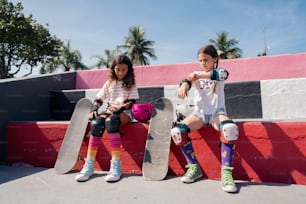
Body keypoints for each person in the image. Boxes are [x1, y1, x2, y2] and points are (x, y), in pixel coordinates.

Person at [171, 44, 239, 193]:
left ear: (214, 59)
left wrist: (198, 76)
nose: (203, 63)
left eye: (206, 60)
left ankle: (226, 173)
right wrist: (183, 86)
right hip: (199, 114)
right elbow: (186, 81)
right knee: (177, 131)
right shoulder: (195, 74)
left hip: (217, 113)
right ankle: (194, 167)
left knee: (229, 129)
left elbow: (223, 74)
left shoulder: (218, 73)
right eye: (200, 60)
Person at [75, 55, 139, 182]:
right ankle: (89, 166)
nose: (121, 72)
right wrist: (94, 110)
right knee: (96, 123)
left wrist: (119, 108)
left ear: (129, 70)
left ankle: (116, 167)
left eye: (124, 70)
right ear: (113, 69)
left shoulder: (131, 84)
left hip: (125, 113)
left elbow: (131, 103)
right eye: (118, 69)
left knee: (111, 122)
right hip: (110, 111)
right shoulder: (109, 83)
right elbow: (99, 98)